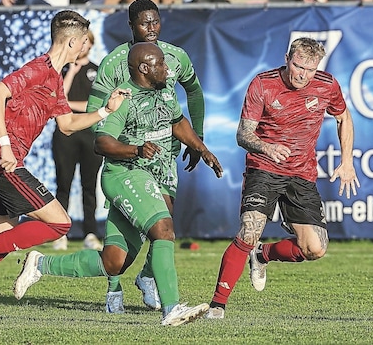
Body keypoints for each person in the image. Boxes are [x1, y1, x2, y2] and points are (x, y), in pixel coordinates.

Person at [0, 10, 128, 327]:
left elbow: (68, 125)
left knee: (0, 245)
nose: (86, 48)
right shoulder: (38, 69)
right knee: (59, 223)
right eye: (84, 42)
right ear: (73, 41)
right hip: (3, 161)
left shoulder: (55, 80)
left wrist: (104, 110)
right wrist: (4, 144)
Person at [13, 42, 224, 326]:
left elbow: (177, 121)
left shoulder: (163, 90)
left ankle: (40, 263)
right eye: (161, 64)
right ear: (144, 69)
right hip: (123, 174)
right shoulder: (123, 97)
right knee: (163, 229)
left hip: (144, 174)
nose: (167, 68)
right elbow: (101, 142)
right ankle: (171, 309)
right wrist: (136, 150)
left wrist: (202, 148)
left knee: (114, 261)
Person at [203, 37, 360, 320]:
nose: (303, 74)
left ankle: (263, 256)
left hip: (301, 173)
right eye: (298, 66)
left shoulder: (327, 85)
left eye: (310, 70)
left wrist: (347, 161)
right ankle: (217, 305)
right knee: (249, 232)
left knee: (315, 249)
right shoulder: (263, 84)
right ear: (287, 58)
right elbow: (243, 135)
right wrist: (267, 147)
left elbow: (343, 117)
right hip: (264, 167)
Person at [86, 0, 207, 314]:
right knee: (132, 234)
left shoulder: (175, 57)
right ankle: (116, 287)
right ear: (130, 26)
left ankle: (149, 277)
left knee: (163, 224)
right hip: (128, 159)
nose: (151, 29)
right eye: (144, 23)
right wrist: (126, 142)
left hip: (165, 159)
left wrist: (199, 140)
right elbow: (94, 115)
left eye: (155, 22)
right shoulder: (114, 64)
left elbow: (192, 93)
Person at [51, 30, 103, 252]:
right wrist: (71, 72)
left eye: (87, 43)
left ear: (91, 45)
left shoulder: (98, 70)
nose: (83, 47)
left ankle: (90, 233)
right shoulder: (62, 70)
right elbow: (56, 99)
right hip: (65, 134)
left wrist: (72, 106)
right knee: (63, 184)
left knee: (89, 185)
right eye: (80, 43)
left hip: (90, 134)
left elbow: (97, 105)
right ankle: (59, 233)